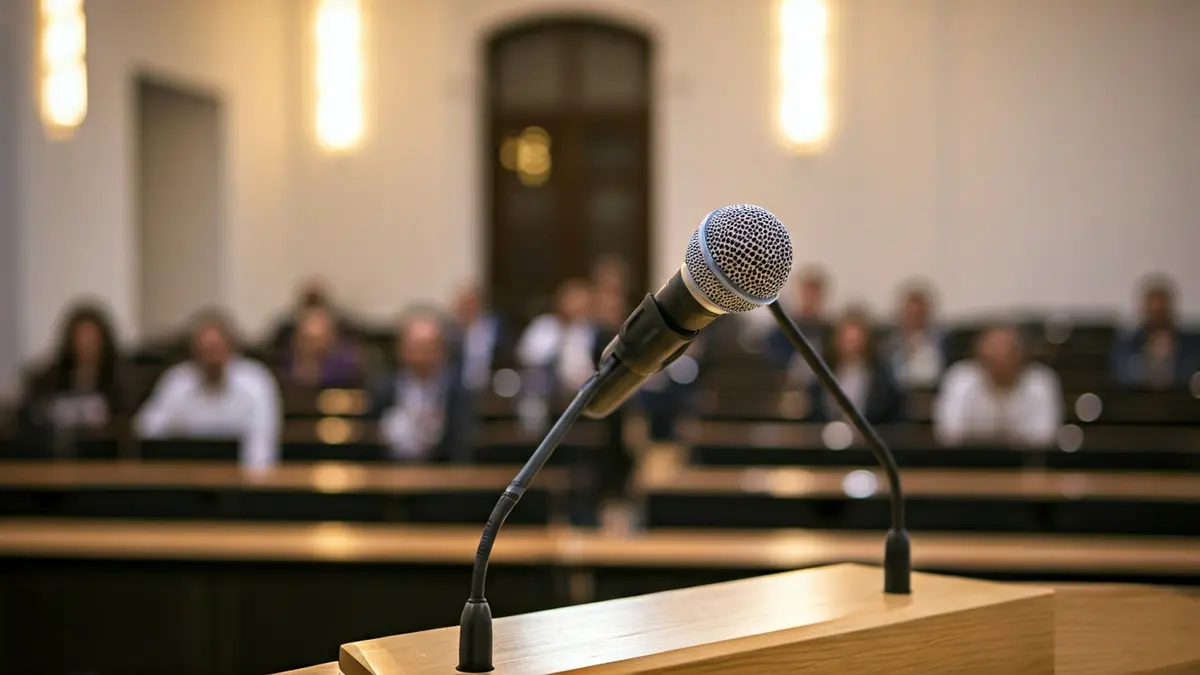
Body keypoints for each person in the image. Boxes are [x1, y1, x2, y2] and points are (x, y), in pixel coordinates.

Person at [135, 310, 282, 471]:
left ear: (231, 348)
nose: (211, 359)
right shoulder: (177, 380)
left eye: (216, 349)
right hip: (185, 473)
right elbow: (145, 429)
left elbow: (262, 442)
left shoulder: (256, 381)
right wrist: (175, 421)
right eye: (205, 351)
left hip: (239, 476)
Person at [17, 302, 126, 453]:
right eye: (82, 337)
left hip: (105, 458)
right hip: (52, 457)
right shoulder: (45, 381)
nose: (87, 345)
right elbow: (27, 419)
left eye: (92, 338)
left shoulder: (121, 384)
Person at [934, 324, 1062, 447]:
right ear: (979, 356)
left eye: (1007, 354)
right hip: (969, 462)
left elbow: (1045, 436)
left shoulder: (1040, 381)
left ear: (1021, 355)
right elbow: (948, 432)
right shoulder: (960, 378)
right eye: (992, 356)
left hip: (1026, 463)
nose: (1000, 362)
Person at [372, 312, 474, 462]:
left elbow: (462, 444)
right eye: (415, 348)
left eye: (428, 348)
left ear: (441, 350)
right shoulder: (382, 388)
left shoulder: (459, 392)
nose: (421, 356)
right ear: (401, 349)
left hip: (443, 472)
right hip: (390, 470)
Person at [808, 307, 905, 424]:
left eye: (856, 341)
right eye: (848, 341)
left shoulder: (881, 379)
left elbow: (887, 412)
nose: (852, 347)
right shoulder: (822, 374)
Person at [516, 279, 599, 393]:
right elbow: (526, 356)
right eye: (572, 301)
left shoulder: (589, 331)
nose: (575, 308)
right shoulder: (543, 325)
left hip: (580, 392)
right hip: (542, 390)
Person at [1112, 276, 1197, 388]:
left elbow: (1192, 377)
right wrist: (1150, 359)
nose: (1157, 321)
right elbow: (1122, 376)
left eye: (1161, 313)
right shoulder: (1127, 344)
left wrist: (1170, 358)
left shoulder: (1191, 345)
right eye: (1153, 313)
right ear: (1143, 311)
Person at [768, 266, 831, 382]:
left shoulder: (829, 331)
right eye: (807, 293)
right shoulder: (782, 329)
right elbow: (774, 363)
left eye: (814, 294)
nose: (810, 299)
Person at [279, 306, 361, 388]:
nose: (311, 347)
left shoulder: (346, 373)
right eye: (306, 340)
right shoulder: (283, 367)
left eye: (317, 340)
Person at [883, 282, 947, 388]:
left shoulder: (943, 340)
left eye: (919, 314)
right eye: (911, 314)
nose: (915, 319)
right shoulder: (890, 345)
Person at [449, 284, 510, 392]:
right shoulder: (452, 332)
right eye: (462, 304)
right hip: (460, 388)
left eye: (469, 303)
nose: (465, 308)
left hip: (489, 387)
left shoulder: (493, 327)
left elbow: (504, 353)